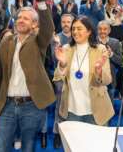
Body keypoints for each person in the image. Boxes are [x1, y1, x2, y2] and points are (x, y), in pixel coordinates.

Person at [0, 0, 56, 152]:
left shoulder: (39, 41)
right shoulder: (7, 40)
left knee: (28, 148)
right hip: (6, 105)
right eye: (19, 17)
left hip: (31, 106)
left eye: (26, 18)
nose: (20, 20)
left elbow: (48, 28)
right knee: (0, 148)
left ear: (34, 24)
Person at [53, 16, 114, 125]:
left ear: (89, 31)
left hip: (95, 109)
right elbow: (57, 78)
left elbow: (107, 80)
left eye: (79, 29)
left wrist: (99, 71)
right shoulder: (66, 49)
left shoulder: (100, 49)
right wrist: (62, 64)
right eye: (73, 29)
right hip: (71, 109)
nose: (75, 32)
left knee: (96, 142)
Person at [51, 14, 74, 149]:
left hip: (76, 77)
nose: (66, 24)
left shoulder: (77, 35)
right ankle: (57, 133)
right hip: (60, 76)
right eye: (63, 22)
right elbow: (53, 61)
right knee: (59, 106)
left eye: (68, 22)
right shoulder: (56, 38)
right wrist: (56, 46)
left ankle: (71, 133)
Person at [97, 20, 123, 101]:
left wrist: (111, 54)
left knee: (110, 102)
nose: (102, 31)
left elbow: (120, 61)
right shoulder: (92, 42)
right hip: (95, 78)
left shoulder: (115, 42)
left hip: (110, 79)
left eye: (105, 29)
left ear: (109, 30)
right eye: (100, 29)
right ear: (97, 30)